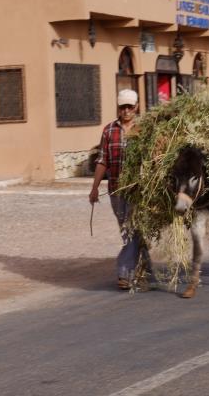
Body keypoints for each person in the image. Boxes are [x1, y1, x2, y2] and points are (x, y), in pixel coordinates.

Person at [89, 89, 144, 290]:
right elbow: (103, 160)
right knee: (127, 230)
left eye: (130, 106)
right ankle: (144, 267)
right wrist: (94, 188)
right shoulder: (109, 130)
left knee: (132, 230)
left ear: (136, 106)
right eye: (123, 107)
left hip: (139, 190)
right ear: (118, 108)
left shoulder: (145, 129)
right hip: (116, 189)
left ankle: (124, 272)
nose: (127, 110)